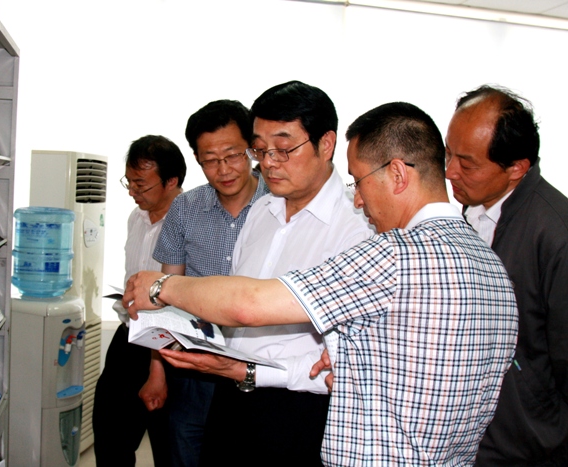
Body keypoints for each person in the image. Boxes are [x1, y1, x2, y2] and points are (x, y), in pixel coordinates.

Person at [123, 102, 519, 466]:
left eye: (360, 181)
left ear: (397, 174)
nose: (358, 200)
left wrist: (160, 286)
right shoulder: (489, 262)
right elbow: (345, 373)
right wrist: (244, 370)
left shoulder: (394, 255)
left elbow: (250, 304)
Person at [158, 81, 371, 466]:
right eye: (260, 149)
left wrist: (163, 287)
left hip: (301, 409)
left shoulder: (355, 228)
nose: (269, 162)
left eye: (283, 149)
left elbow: (348, 361)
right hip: (231, 393)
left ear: (326, 144)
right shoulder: (261, 212)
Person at [445, 85, 568, 466]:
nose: (450, 172)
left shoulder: (555, 234)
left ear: (516, 168)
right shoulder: (473, 209)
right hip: (471, 438)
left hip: (526, 446)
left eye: (467, 165)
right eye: (448, 154)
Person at [143, 99, 268, 466]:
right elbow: (165, 295)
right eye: (210, 160)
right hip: (195, 365)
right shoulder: (185, 208)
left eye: (233, 155)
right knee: (187, 448)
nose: (223, 170)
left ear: (251, 149)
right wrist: (156, 368)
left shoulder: (278, 204)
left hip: (258, 361)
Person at [92, 135, 186, 467]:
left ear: (171, 181)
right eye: (129, 182)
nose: (133, 191)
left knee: (168, 445)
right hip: (129, 337)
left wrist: (156, 367)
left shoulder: (191, 223)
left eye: (141, 184)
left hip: (170, 346)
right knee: (110, 436)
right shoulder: (137, 217)